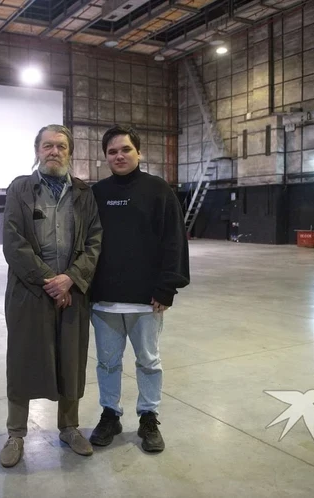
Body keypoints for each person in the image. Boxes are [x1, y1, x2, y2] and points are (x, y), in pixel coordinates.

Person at [0, 124, 103, 468]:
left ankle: (69, 427)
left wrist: (70, 279)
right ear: (37, 151)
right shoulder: (20, 189)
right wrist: (50, 282)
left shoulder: (84, 193)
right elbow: (13, 242)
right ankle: (16, 434)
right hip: (30, 293)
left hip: (72, 293)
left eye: (61, 146)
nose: (54, 152)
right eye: (47, 146)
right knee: (22, 361)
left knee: (71, 361)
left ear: (70, 153)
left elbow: (94, 241)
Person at [88, 124, 190, 453]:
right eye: (112, 151)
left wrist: (167, 287)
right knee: (107, 363)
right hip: (104, 301)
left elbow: (175, 240)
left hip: (147, 300)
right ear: (105, 157)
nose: (119, 156)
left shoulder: (158, 190)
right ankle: (110, 414)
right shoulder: (96, 194)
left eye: (125, 149)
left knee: (148, 361)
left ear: (139, 152)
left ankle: (148, 416)